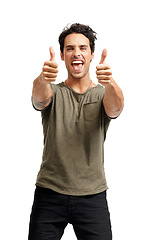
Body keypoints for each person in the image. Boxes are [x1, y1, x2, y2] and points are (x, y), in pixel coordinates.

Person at [28, 23, 124, 240]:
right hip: (49, 193)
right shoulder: (53, 90)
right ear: (62, 55)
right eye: (70, 48)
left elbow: (116, 108)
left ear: (91, 55)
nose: (76, 53)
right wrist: (44, 77)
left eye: (82, 48)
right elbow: (38, 98)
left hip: (93, 196)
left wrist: (110, 84)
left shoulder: (102, 94)